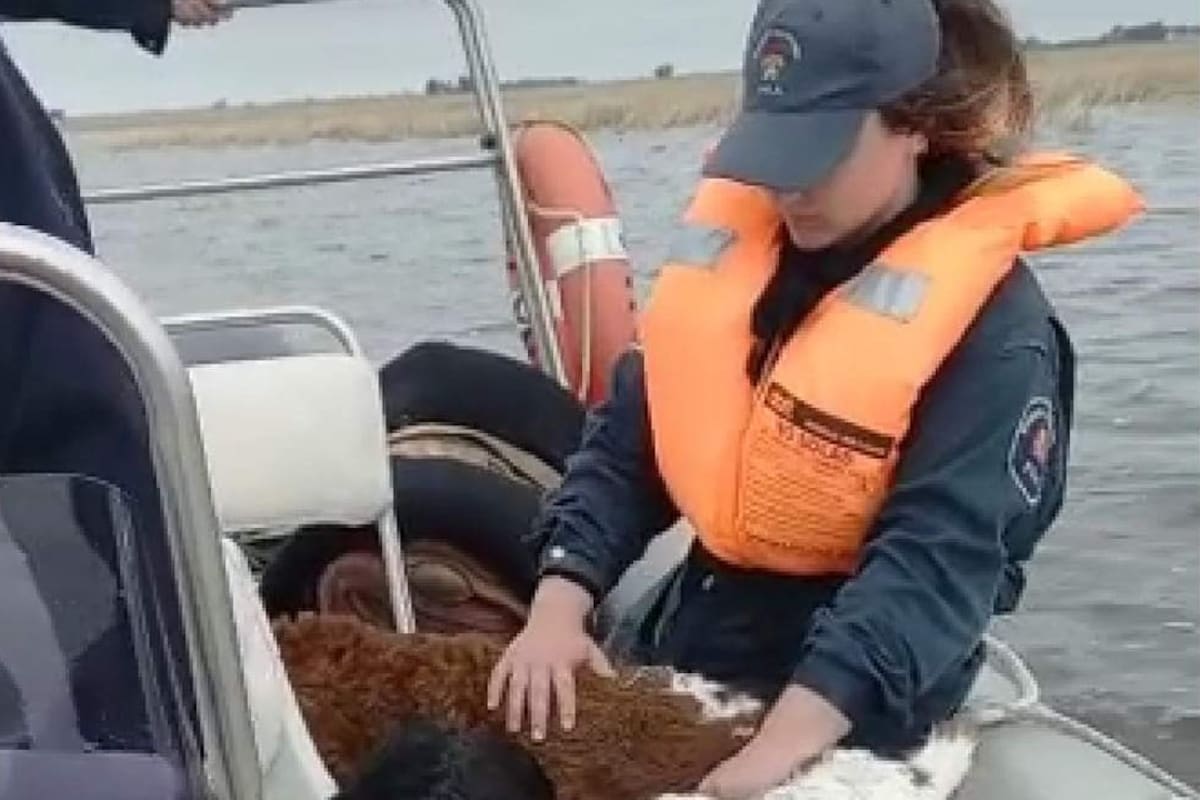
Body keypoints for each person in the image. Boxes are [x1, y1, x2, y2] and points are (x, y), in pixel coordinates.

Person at [486, 0, 1143, 796]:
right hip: (695, 626)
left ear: (916, 124)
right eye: (775, 146)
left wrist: (765, 758)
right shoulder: (746, 257)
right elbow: (631, 442)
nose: (788, 185)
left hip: (848, 706)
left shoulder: (1000, 338)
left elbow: (932, 569)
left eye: (819, 151)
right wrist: (560, 604)